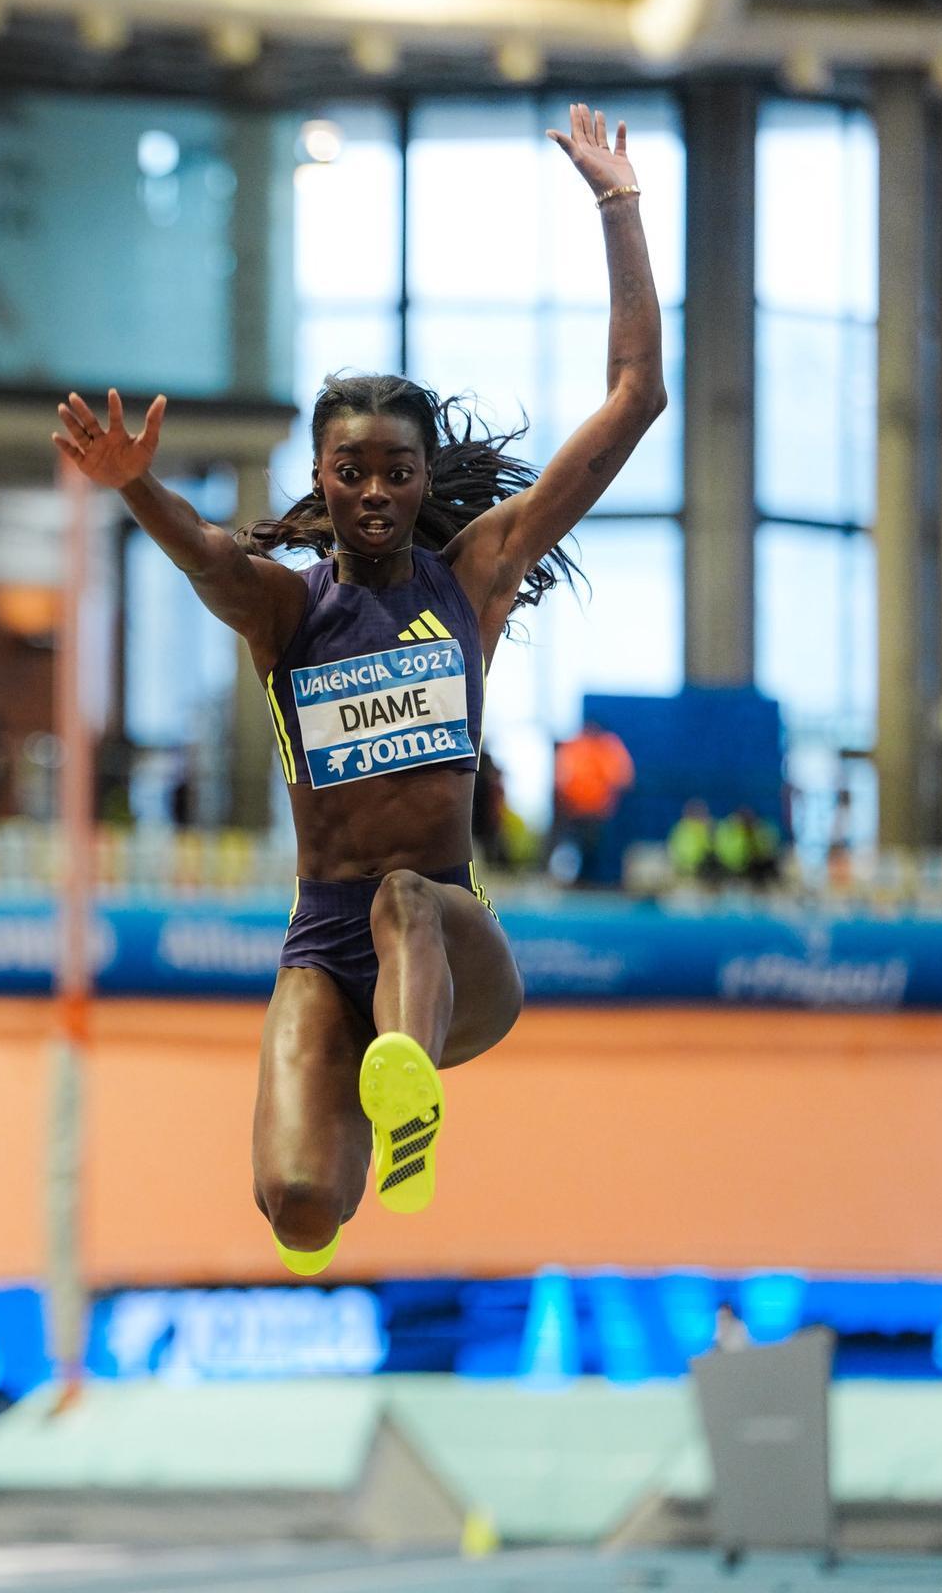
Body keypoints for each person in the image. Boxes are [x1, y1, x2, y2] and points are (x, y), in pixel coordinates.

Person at [55, 105, 665, 1274]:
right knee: (297, 1204)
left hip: (448, 939)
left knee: (400, 897)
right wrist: (136, 488)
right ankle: (373, 1115)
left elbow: (635, 397)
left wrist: (617, 205)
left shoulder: (474, 576)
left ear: (426, 475)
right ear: (321, 482)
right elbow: (206, 552)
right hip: (321, 944)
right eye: (352, 472)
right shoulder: (288, 615)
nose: (377, 492)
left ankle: (410, 1088)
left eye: (399, 470)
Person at [550, 719, 635, 886]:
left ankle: (595, 882)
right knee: (572, 848)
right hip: (574, 811)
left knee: (596, 851)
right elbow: (562, 777)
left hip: (599, 812)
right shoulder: (574, 747)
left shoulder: (608, 746)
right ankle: (570, 882)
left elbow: (623, 778)